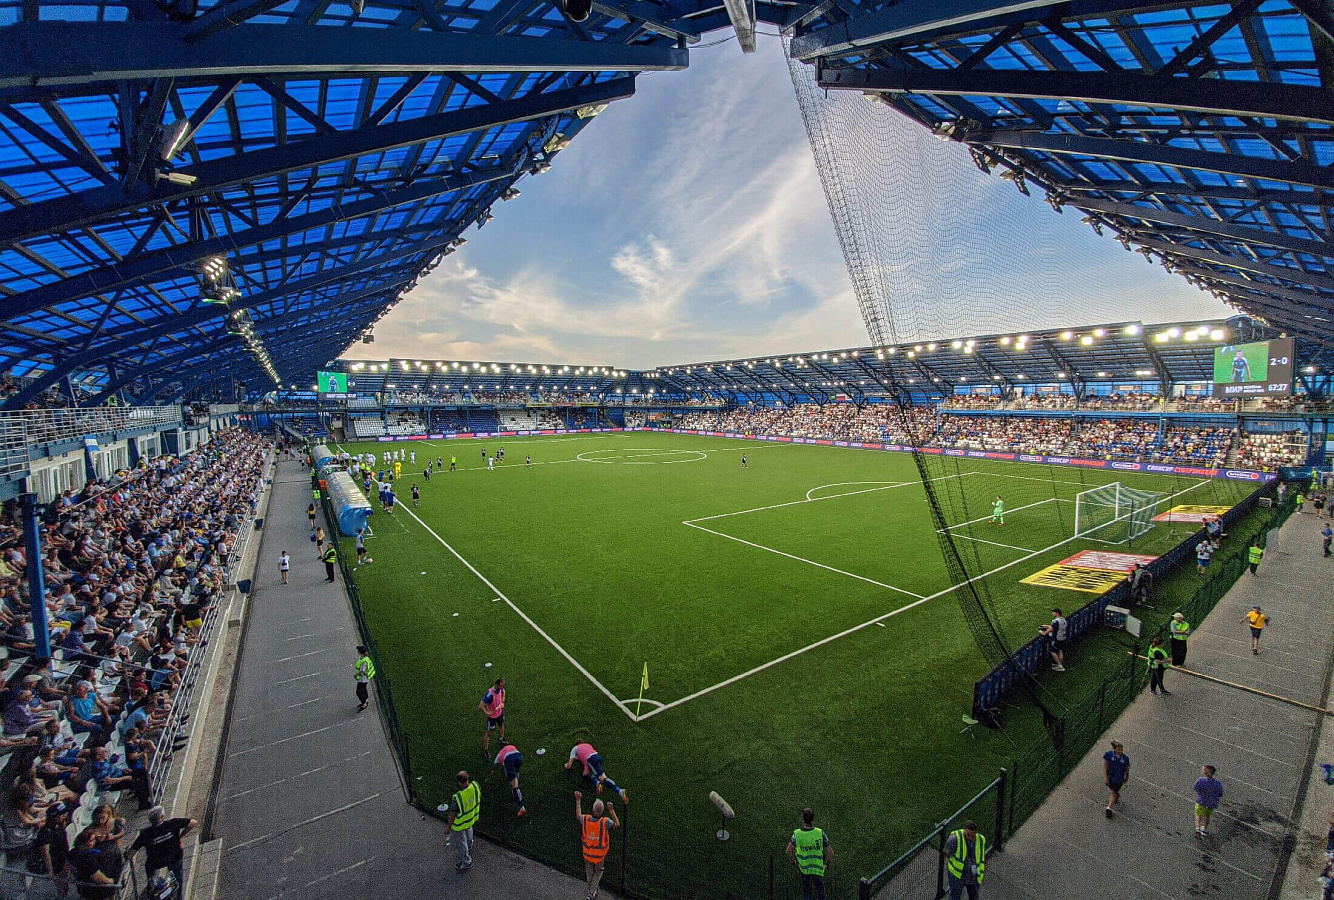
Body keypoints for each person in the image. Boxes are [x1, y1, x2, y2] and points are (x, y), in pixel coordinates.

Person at [128, 807, 196, 899]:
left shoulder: (145, 833)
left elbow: (131, 852)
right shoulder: (172, 823)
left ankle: (152, 890)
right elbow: (193, 823)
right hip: (174, 857)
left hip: (156, 861)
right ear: (162, 817)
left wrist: (127, 854)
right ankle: (178, 897)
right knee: (178, 878)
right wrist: (180, 836)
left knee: (151, 875)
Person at [575, 790, 619, 900]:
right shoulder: (605, 822)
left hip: (587, 854)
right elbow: (617, 824)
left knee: (590, 874)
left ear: (593, 810)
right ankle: (591, 894)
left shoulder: (585, 819)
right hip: (599, 856)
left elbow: (578, 816)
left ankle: (592, 892)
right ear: (602, 811)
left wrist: (578, 800)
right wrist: (611, 810)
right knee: (598, 872)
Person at [786, 807, 832, 900]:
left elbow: (788, 851)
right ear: (813, 819)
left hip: (804, 867)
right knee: (820, 889)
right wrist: (828, 865)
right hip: (817, 868)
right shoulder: (820, 833)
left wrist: (792, 861)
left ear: (803, 818)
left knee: (806, 890)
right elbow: (831, 853)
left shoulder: (797, 834)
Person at [441, 771, 481, 873]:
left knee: (461, 843)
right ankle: (469, 844)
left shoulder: (458, 797)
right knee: (469, 831)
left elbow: (452, 815)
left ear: (459, 782)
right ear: (468, 778)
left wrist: (448, 828)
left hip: (459, 824)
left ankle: (466, 862)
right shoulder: (475, 786)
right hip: (471, 818)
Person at [943, 821, 986, 900]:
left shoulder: (981, 839)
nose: (970, 837)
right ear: (964, 830)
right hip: (958, 874)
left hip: (973, 874)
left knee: (974, 896)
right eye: (968, 835)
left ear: (976, 833)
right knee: (954, 896)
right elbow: (947, 853)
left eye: (972, 836)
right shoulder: (954, 838)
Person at [494, 743, 526, 817]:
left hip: (509, 760)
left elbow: (495, 764)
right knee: (516, 772)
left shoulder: (499, 754)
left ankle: (522, 808)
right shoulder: (512, 746)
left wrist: (493, 771)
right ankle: (516, 785)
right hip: (519, 757)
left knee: (514, 785)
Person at [1193, 764, 1224, 836]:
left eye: (1203, 769)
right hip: (1210, 804)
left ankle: (1197, 829)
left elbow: (1195, 788)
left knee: (1198, 815)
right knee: (1207, 816)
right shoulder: (1217, 784)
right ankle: (1203, 829)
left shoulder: (1201, 780)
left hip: (1201, 801)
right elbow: (1220, 794)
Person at [479, 678, 505, 758]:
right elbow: (480, 706)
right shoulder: (490, 694)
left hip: (500, 713)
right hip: (492, 718)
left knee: (501, 725)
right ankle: (486, 750)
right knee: (489, 733)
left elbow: (503, 691)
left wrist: (502, 701)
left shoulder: (500, 689)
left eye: (502, 686)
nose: (501, 688)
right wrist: (488, 713)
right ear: (496, 685)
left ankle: (501, 739)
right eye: (500, 686)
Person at [1103, 740, 1129, 817]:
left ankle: (1109, 808)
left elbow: (1127, 770)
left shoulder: (1125, 758)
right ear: (1114, 749)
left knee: (1113, 792)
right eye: (1119, 750)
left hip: (1119, 780)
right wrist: (1106, 777)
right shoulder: (1109, 755)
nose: (1120, 751)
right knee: (1113, 791)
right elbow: (1105, 767)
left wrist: (1126, 778)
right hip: (1111, 777)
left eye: (1121, 749)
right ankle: (1116, 796)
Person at [354, 646, 375, 712]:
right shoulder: (363, 658)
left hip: (363, 679)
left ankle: (364, 703)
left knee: (359, 692)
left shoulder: (364, 662)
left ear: (360, 652)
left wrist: (356, 675)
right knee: (363, 689)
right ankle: (366, 700)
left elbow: (362, 671)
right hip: (363, 678)